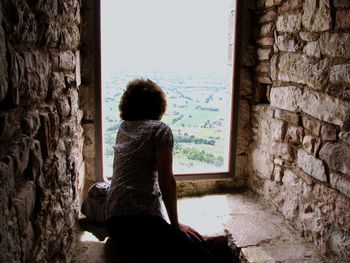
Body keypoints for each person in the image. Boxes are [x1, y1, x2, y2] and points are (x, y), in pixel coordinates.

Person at [104, 78, 221, 263]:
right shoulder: (160, 130)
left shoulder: (124, 128)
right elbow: (166, 181)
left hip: (113, 220)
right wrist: (175, 225)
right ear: (158, 104)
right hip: (140, 221)